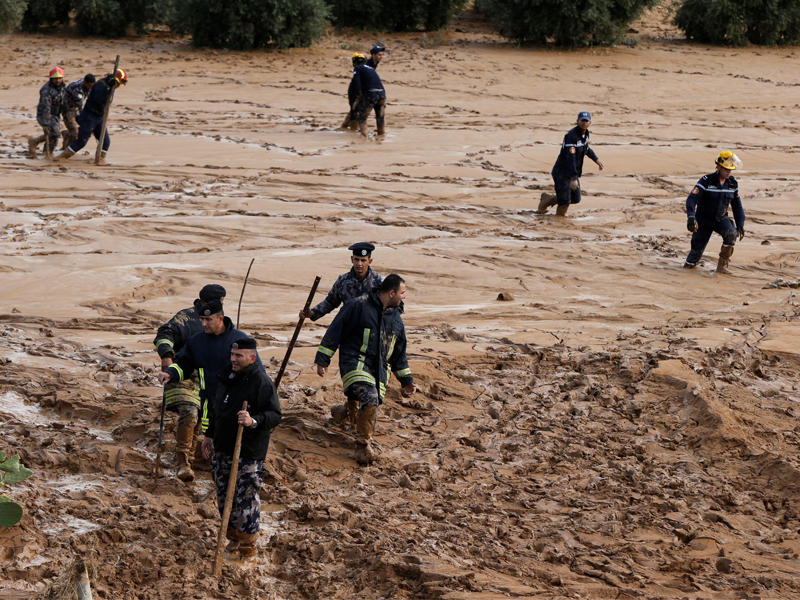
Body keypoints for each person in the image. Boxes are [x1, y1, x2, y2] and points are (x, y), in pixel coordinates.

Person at [314, 274, 416, 465]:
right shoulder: (357, 305)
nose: (404, 297)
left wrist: (407, 380)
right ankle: (362, 447)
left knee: (369, 401)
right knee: (370, 396)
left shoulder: (396, 320)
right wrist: (323, 359)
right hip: (354, 363)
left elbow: (399, 354)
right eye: (403, 293)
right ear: (392, 293)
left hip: (379, 372)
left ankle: (342, 412)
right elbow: (335, 331)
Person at [158, 295, 262, 480]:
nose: (204, 323)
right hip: (197, 386)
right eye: (202, 319)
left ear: (220, 316)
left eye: (208, 319)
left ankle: (228, 464)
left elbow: (256, 370)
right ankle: (184, 460)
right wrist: (170, 369)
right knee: (194, 415)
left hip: (225, 396)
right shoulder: (194, 334)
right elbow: (184, 362)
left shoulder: (238, 338)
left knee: (221, 428)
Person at [200, 337, 281, 559]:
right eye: (232, 354)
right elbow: (217, 410)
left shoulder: (261, 382)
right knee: (226, 496)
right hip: (222, 449)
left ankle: (247, 545)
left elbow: (275, 415)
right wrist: (208, 436)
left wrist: (252, 421)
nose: (233, 359)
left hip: (247, 453)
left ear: (252, 357)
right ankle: (234, 538)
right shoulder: (227, 377)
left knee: (245, 498)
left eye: (239, 356)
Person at [153, 283, 227, 481]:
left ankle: (191, 457)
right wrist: (167, 356)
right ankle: (182, 461)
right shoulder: (185, 318)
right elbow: (164, 334)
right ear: (203, 301)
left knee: (202, 420)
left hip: (205, 379)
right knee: (190, 412)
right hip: (181, 374)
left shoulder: (219, 321)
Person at [684, 151, 745, 274]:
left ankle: (721, 268)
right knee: (695, 254)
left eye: (731, 169)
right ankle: (687, 271)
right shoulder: (706, 181)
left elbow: (737, 205)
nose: (729, 172)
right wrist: (691, 217)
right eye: (726, 169)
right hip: (703, 221)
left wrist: (740, 224)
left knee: (731, 235)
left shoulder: (732, 183)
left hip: (721, 219)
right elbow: (691, 199)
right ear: (718, 167)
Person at [539, 111, 604, 216]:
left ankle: (547, 199)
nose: (584, 123)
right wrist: (574, 178)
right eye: (582, 120)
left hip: (572, 172)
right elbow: (571, 157)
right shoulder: (571, 136)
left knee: (575, 198)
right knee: (564, 201)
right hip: (562, 172)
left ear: (590, 123)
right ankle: (559, 222)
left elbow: (586, 148)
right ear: (577, 121)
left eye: (586, 121)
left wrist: (596, 160)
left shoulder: (586, 134)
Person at [58, 68, 128, 165]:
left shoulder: (110, 87)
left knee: (105, 142)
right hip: (89, 117)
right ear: (114, 81)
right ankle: (60, 158)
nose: (118, 86)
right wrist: (107, 91)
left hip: (99, 118)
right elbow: (99, 101)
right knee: (81, 142)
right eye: (118, 84)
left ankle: (99, 159)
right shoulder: (101, 86)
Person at [27, 67, 66, 159]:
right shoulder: (46, 90)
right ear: (51, 78)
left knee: (54, 137)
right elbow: (45, 106)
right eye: (55, 78)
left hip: (56, 114)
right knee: (55, 133)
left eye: (59, 78)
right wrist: (46, 123)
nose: (57, 80)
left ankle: (47, 152)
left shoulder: (63, 87)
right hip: (46, 114)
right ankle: (35, 142)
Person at [352, 53, 387, 137]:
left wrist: (357, 100)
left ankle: (365, 137)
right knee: (380, 117)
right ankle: (381, 135)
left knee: (362, 118)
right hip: (382, 94)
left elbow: (356, 84)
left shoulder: (357, 68)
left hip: (371, 95)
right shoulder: (371, 69)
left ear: (354, 62)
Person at [61, 74, 95, 150]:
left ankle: (67, 134)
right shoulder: (77, 89)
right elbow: (80, 105)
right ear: (85, 83)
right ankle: (66, 149)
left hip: (77, 108)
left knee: (88, 127)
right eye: (90, 86)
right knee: (75, 133)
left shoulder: (89, 86)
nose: (91, 88)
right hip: (68, 109)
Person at [340, 53, 367, 131]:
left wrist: (358, 95)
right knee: (355, 111)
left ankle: (353, 129)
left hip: (356, 92)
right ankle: (346, 127)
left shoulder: (357, 69)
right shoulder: (367, 68)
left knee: (354, 111)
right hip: (361, 92)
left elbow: (357, 82)